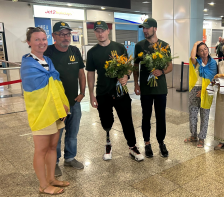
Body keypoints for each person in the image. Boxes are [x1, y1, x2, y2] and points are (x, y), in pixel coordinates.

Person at [21, 27, 70, 195]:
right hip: (41, 113)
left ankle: (51, 178)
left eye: (43, 39)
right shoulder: (28, 64)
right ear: (29, 42)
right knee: (41, 150)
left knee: (52, 146)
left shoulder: (48, 60)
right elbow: (35, 94)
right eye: (37, 39)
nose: (41, 43)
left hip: (55, 111)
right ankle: (43, 185)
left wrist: (62, 106)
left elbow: (55, 85)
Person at [86, 21, 144, 161]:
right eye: (97, 31)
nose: (100, 34)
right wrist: (91, 94)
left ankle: (132, 147)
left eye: (103, 31)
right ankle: (108, 144)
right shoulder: (92, 52)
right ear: (95, 33)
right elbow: (90, 73)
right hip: (103, 92)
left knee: (127, 121)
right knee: (106, 122)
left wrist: (126, 75)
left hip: (120, 92)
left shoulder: (119, 48)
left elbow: (128, 66)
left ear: (108, 31)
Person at [44, 21, 86, 177]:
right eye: (61, 34)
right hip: (56, 104)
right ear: (54, 36)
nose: (65, 37)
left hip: (74, 102)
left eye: (67, 34)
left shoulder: (75, 50)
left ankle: (70, 158)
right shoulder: (48, 53)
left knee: (72, 133)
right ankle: (54, 162)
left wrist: (82, 93)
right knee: (56, 134)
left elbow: (81, 73)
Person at [134, 18, 173, 158]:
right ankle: (147, 143)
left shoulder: (165, 46)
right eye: (143, 28)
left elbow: (170, 66)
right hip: (145, 88)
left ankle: (161, 142)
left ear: (154, 28)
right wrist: (136, 83)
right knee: (146, 116)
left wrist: (161, 71)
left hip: (160, 88)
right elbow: (136, 66)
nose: (144, 31)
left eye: (147, 28)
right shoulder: (139, 46)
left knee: (161, 117)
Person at [184, 41, 217, 148]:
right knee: (193, 114)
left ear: (208, 50)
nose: (204, 51)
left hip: (207, 90)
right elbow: (192, 56)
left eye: (205, 49)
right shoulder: (196, 62)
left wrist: (203, 91)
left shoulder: (213, 64)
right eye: (201, 50)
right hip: (194, 89)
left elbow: (213, 80)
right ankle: (193, 135)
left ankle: (202, 138)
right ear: (198, 53)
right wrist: (195, 44)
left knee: (205, 115)